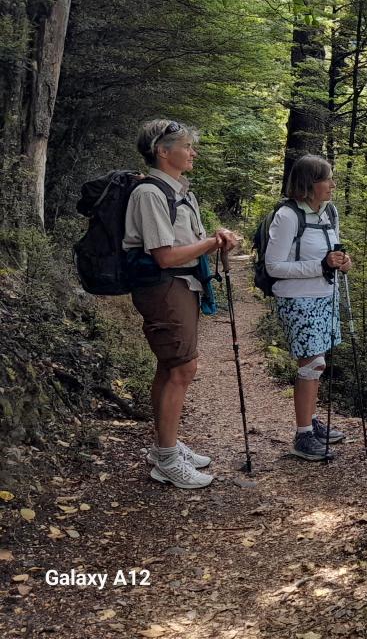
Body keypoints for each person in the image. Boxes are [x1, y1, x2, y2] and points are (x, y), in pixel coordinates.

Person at [124, 119, 237, 489]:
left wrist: (213, 241)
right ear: (162, 151)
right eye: (187, 146)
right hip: (164, 285)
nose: (193, 152)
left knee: (169, 365)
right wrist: (210, 244)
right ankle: (168, 461)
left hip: (181, 285)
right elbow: (164, 256)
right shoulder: (151, 194)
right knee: (183, 369)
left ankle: (164, 448)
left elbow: (184, 244)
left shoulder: (180, 191)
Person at [265, 154, 352, 461]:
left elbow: (334, 253)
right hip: (298, 299)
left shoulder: (330, 213)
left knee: (317, 364)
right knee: (311, 365)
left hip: (325, 296)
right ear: (309, 184)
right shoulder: (288, 216)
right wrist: (321, 265)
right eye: (326, 179)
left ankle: (311, 423)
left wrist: (342, 262)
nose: (332, 184)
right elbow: (274, 266)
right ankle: (303, 436)